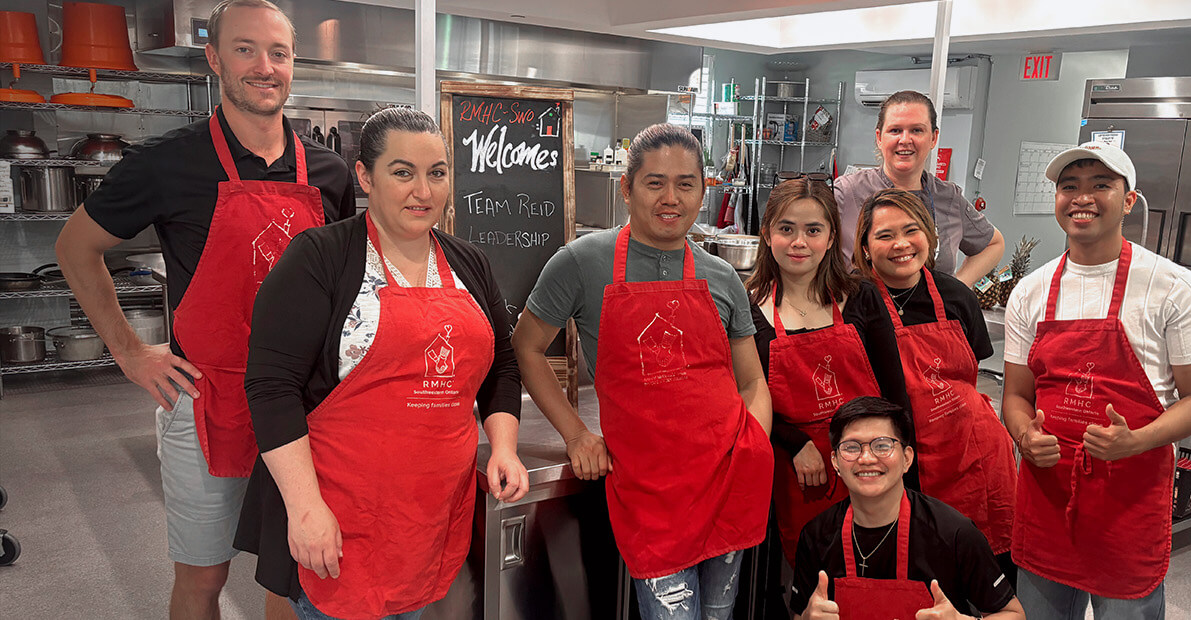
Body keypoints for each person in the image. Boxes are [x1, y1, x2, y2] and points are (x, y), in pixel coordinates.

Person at [53, 1, 354, 617]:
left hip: (304, 406)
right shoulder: (167, 163)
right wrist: (130, 353)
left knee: (289, 576)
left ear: (294, 64)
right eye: (245, 49)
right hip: (206, 402)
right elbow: (75, 247)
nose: (264, 66)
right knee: (202, 579)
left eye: (279, 52)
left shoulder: (330, 174)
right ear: (214, 58)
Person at [231, 107, 528, 620]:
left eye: (436, 173)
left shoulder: (469, 263)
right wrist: (304, 509)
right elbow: (271, 387)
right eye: (402, 172)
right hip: (342, 515)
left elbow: (502, 364)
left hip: (427, 515)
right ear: (365, 176)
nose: (424, 190)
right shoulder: (319, 257)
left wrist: (503, 448)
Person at [513, 123, 773, 620]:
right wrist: (575, 434)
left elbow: (751, 381)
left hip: (728, 482)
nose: (670, 198)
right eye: (655, 183)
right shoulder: (581, 261)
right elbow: (526, 347)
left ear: (703, 190)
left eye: (685, 183)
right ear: (626, 189)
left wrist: (751, 447)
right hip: (649, 494)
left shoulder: (720, 276)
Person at [1001, 141, 1191, 620]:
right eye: (1069, 186)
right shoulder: (1031, 290)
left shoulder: (1173, 288)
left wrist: (1136, 440)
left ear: (1128, 200)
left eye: (1101, 185)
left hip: (1128, 498)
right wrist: (1024, 435)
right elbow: (1016, 395)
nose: (1083, 197)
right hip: (1047, 494)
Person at [844, 188, 1018, 583]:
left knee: (985, 573)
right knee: (917, 573)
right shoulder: (856, 301)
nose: (901, 244)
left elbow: (974, 360)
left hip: (976, 450)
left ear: (930, 236)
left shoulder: (956, 296)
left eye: (912, 230)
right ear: (866, 247)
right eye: (885, 235)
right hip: (903, 457)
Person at [743, 176, 895, 583]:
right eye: (786, 229)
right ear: (767, 234)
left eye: (813, 230)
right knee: (808, 590)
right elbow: (742, 400)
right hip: (796, 477)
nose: (799, 242)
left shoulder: (861, 297)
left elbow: (894, 393)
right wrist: (796, 443)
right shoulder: (749, 311)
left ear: (831, 238)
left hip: (870, 465)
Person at [791, 396, 1025, 620]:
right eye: (851, 447)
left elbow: (1013, 614)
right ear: (835, 462)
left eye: (882, 445)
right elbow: (799, 615)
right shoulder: (816, 536)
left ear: (907, 458)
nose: (866, 458)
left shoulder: (954, 534)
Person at [834, 90, 1004, 285]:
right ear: (879, 138)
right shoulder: (846, 192)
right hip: (864, 313)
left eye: (917, 130)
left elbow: (994, 244)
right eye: (895, 130)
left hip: (933, 314)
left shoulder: (948, 197)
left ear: (933, 138)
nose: (905, 140)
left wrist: (958, 289)